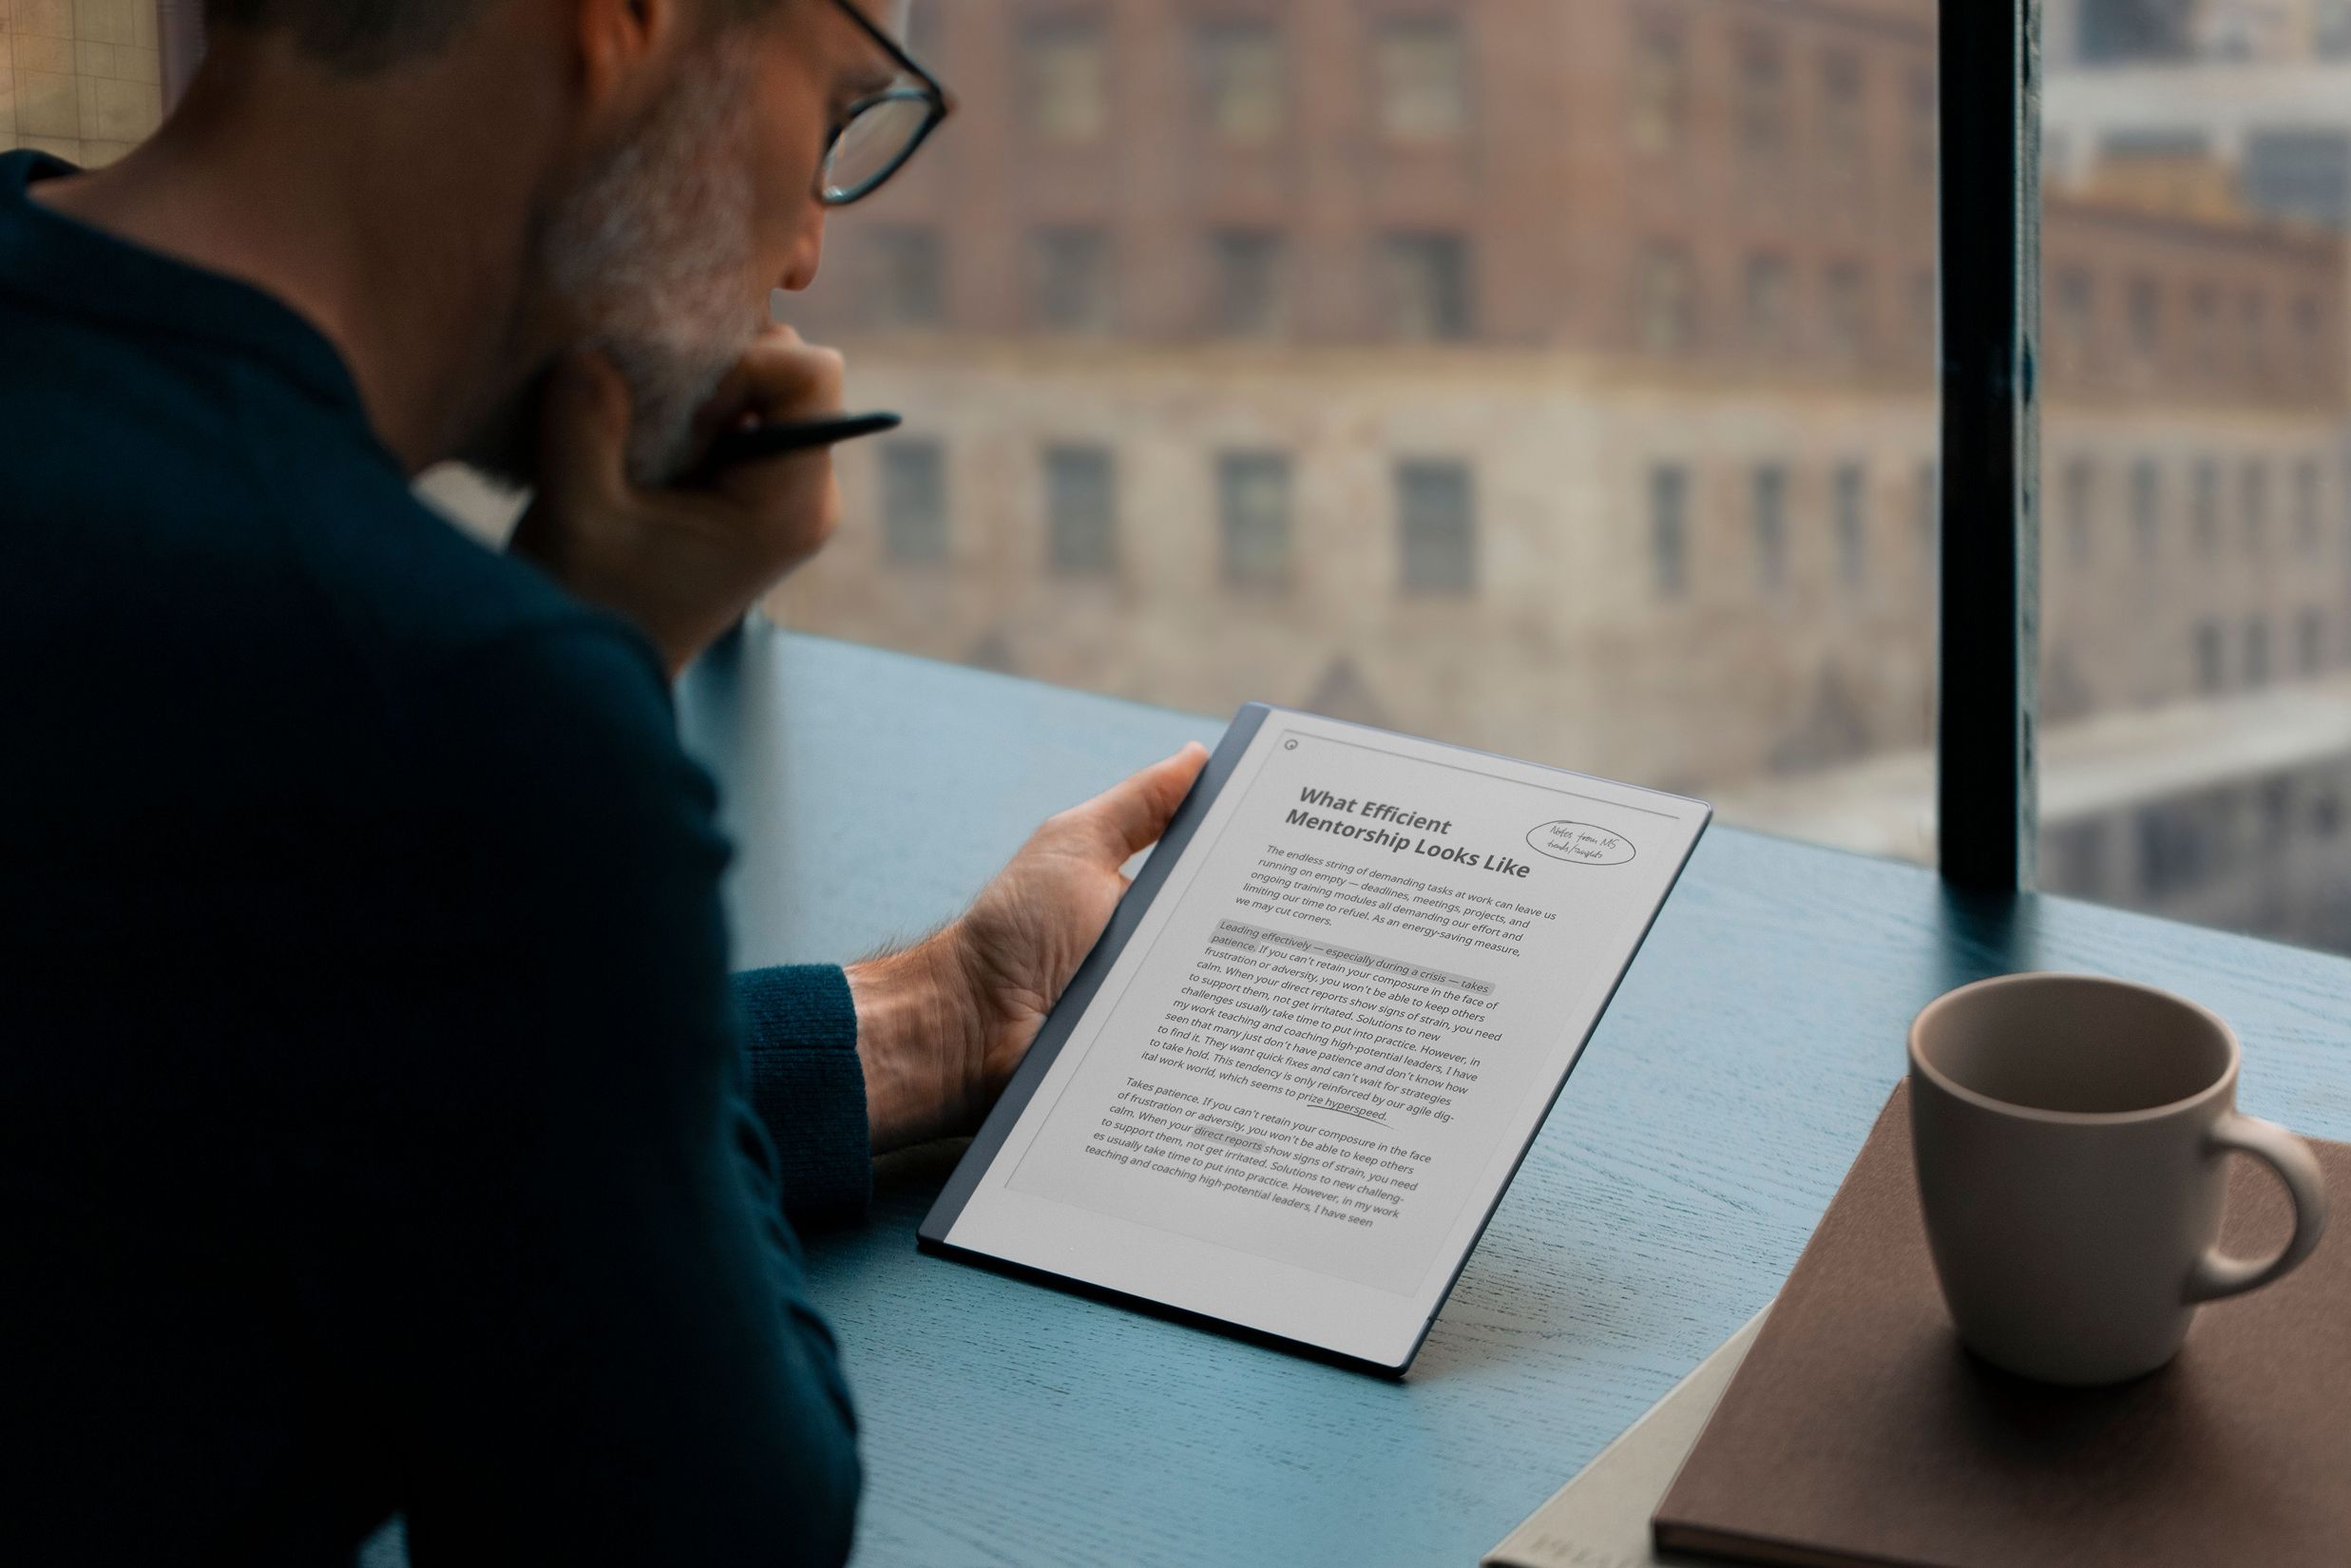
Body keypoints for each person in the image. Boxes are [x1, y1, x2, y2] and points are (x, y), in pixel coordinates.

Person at [0, 0, 1205, 1560]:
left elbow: (287, 1063)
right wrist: (603, 664)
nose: (799, 264)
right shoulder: (440, 708)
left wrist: (937, 1016)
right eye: (836, 110)